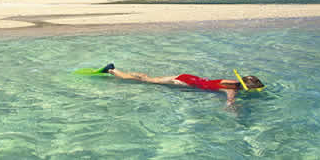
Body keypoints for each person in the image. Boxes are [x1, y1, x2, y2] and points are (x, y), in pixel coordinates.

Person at [99, 63, 264, 106]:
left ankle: (116, 70)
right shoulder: (232, 90)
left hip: (189, 77)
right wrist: (235, 111)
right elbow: (229, 103)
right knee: (147, 80)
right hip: (184, 82)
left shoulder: (232, 81)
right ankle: (112, 71)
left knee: (149, 78)